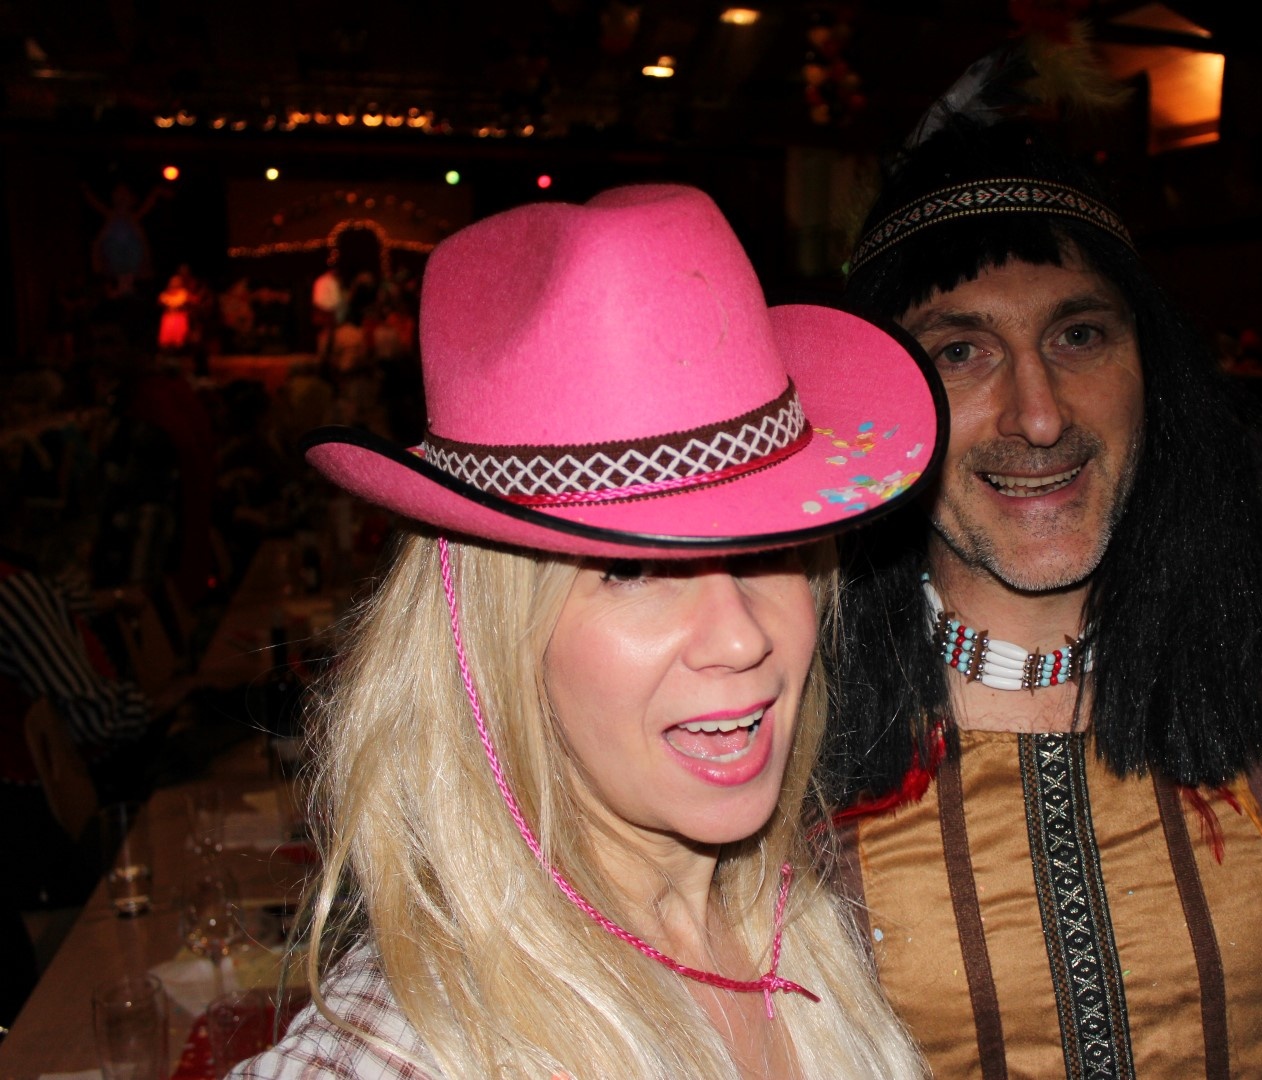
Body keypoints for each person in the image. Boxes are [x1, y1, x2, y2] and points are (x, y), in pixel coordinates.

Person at [231, 185, 944, 1078]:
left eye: (771, 550)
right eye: (632, 571)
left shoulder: (800, 927)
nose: (740, 639)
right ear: (495, 639)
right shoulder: (422, 1047)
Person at [819, 105, 1262, 1074]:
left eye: (1078, 335)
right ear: (884, 400)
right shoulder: (788, 739)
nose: (1040, 416)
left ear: (1148, 371)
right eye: (961, 351)